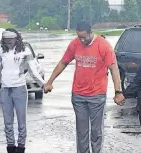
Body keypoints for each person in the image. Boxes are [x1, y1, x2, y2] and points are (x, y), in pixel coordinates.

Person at [44, 21, 125, 153]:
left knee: (96, 131)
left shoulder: (103, 45)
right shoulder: (75, 44)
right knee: (81, 131)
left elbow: (113, 68)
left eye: (84, 37)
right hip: (78, 95)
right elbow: (63, 62)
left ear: (90, 32)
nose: (82, 40)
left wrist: (118, 91)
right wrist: (50, 81)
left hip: (97, 95)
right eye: (79, 37)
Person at [0, 28, 46, 153]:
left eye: (11, 39)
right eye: (6, 39)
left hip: (19, 89)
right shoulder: (1, 51)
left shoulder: (25, 50)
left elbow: (33, 71)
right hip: (5, 89)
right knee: (7, 122)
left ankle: (21, 147)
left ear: (17, 38)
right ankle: (10, 146)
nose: (9, 42)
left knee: (21, 121)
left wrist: (44, 84)